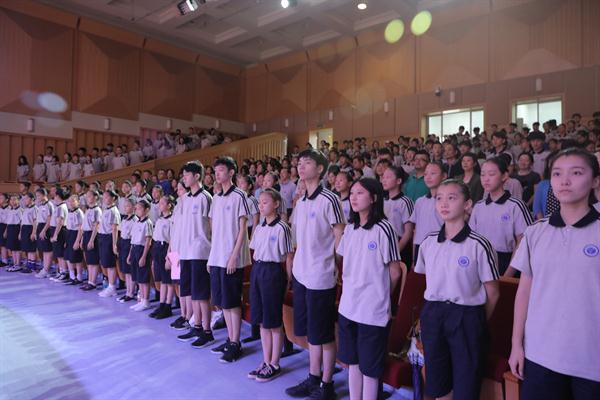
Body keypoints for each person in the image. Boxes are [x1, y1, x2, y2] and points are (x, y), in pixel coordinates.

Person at [509, 148, 600, 400]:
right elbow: (524, 293)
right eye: (557, 174)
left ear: (595, 180)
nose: (565, 181)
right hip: (540, 355)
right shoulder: (535, 232)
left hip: (591, 360)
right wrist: (516, 344)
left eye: (576, 173)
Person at [415, 179, 500, 400]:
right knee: (437, 382)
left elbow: (493, 292)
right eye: (439, 198)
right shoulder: (428, 242)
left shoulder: (479, 244)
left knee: (466, 382)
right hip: (434, 313)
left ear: (467, 204)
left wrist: (475, 321)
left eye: (452, 198)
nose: (444, 204)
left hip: (467, 316)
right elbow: (426, 281)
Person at [336, 177, 403, 400]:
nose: (353, 198)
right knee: (353, 363)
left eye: (360, 193)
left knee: (370, 368)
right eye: (352, 193)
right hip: (349, 306)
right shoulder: (350, 229)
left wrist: (380, 296)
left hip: (372, 311)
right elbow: (344, 261)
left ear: (373, 198)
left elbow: (395, 271)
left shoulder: (384, 228)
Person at [286, 149, 345, 400]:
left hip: (321, 275)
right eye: (299, 163)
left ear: (320, 169)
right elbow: (296, 236)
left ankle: (327, 384)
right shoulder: (301, 202)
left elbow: (339, 235)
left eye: (307, 162)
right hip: (302, 273)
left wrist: (337, 265)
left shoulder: (330, 199)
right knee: (311, 332)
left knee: (323, 333)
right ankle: (313, 376)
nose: (301, 166)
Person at [246, 188, 293, 382]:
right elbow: (254, 250)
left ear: (276, 204)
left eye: (265, 202)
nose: (261, 205)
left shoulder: (282, 228)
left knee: (273, 321)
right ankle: (265, 361)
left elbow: (289, 256)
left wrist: (289, 279)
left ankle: (275, 363)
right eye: (259, 202)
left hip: (273, 272)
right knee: (262, 320)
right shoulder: (259, 227)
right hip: (258, 270)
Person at [207, 156, 251, 363]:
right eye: (215, 170)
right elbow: (214, 230)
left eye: (221, 170)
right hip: (217, 257)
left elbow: (243, 229)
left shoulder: (239, 195)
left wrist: (234, 256)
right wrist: (211, 257)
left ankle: (236, 342)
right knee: (223, 303)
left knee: (232, 302)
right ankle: (229, 339)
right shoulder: (216, 198)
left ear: (231, 172)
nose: (217, 174)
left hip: (232, 258)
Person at [174, 161, 215, 347]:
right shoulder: (185, 199)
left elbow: (212, 227)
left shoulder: (206, 197)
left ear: (197, 176)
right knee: (191, 292)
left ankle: (207, 331)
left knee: (201, 294)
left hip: (200, 251)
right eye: (183, 175)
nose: (184, 178)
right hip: (186, 251)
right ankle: (196, 326)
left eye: (187, 175)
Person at [471, 157, 533, 276]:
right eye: (483, 175)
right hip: (481, 261)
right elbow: (472, 240)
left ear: (504, 176)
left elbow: (523, 241)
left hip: (508, 263)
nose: (486, 179)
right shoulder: (478, 206)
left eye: (491, 174)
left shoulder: (516, 206)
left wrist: (508, 274)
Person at [409, 162, 446, 264]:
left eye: (433, 173)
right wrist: (414, 258)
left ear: (444, 176)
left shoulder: (447, 202)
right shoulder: (420, 201)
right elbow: (416, 230)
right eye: (425, 174)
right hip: (420, 246)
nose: (428, 177)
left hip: (440, 246)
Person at [381, 166, 414, 267]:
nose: (384, 180)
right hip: (384, 243)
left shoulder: (405, 202)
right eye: (383, 177)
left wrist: (395, 251)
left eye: (388, 177)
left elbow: (408, 232)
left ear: (399, 181)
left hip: (400, 245)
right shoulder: (383, 201)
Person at [149, 195, 175, 319]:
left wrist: (169, 256)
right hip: (158, 248)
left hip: (167, 249)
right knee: (162, 280)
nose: (160, 206)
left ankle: (168, 306)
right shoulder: (159, 220)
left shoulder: (172, 220)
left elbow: (172, 239)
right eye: (159, 203)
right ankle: (162, 304)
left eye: (162, 203)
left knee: (169, 280)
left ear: (169, 205)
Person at [128, 200, 153, 312]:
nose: (137, 210)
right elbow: (133, 240)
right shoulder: (136, 222)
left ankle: (146, 301)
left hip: (142, 250)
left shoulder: (148, 223)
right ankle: (142, 299)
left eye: (139, 208)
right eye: (136, 208)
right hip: (135, 249)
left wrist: (143, 256)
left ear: (146, 210)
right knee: (138, 277)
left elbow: (148, 241)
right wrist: (130, 254)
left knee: (143, 277)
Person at [96, 190, 121, 296]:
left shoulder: (114, 211)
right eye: (104, 197)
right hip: (102, 236)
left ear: (113, 198)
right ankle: (109, 285)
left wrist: (114, 244)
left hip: (109, 238)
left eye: (107, 197)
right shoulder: (105, 209)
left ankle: (112, 287)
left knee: (110, 264)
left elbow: (115, 228)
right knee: (105, 262)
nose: (104, 199)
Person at [80, 190, 102, 290]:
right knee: (88, 260)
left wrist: (91, 240)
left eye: (89, 196)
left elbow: (96, 226)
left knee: (93, 260)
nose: (87, 198)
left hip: (93, 235)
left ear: (95, 197)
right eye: (87, 196)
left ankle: (93, 282)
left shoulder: (97, 210)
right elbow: (84, 226)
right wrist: (82, 239)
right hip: (86, 234)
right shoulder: (88, 210)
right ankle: (89, 280)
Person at [117, 197, 137, 303]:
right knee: (125, 270)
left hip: (130, 244)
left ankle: (131, 293)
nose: (126, 208)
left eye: (128, 206)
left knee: (130, 271)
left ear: (134, 207)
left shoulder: (135, 220)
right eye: (125, 206)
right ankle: (127, 291)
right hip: (123, 243)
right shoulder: (124, 218)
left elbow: (133, 237)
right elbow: (120, 232)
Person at [49, 189, 69, 282]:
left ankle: (64, 272)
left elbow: (60, 222)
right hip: (56, 230)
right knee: (58, 253)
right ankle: (61, 271)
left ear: (58, 196)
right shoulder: (58, 206)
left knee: (61, 254)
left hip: (60, 231)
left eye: (55, 195)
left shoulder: (61, 207)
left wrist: (56, 234)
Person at [34, 188, 55, 278]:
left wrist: (44, 230)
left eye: (38, 195)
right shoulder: (40, 205)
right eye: (36, 196)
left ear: (44, 195)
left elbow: (49, 219)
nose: (37, 197)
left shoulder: (49, 205)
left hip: (46, 228)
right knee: (44, 250)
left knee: (48, 250)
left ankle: (46, 270)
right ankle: (45, 268)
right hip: (40, 226)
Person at [64, 195, 84, 285]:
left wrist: (77, 241)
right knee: (68, 256)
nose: (70, 203)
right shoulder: (69, 212)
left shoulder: (79, 212)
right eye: (69, 201)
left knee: (76, 257)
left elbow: (80, 228)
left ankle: (79, 277)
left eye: (73, 201)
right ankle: (72, 276)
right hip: (69, 233)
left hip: (76, 234)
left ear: (78, 202)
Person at [5, 195, 22, 271]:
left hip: (16, 229)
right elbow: (8, 222)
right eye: (11, 199)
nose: (12, 201)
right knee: (12, 248)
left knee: (17, 248)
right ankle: (14, 263)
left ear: (18, 201)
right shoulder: (10, 210)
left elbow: (21, 222)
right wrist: (6, 231)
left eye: (14, 199)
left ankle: (18, 264)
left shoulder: (20, 210)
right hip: (10, 229)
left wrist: (20, 232)